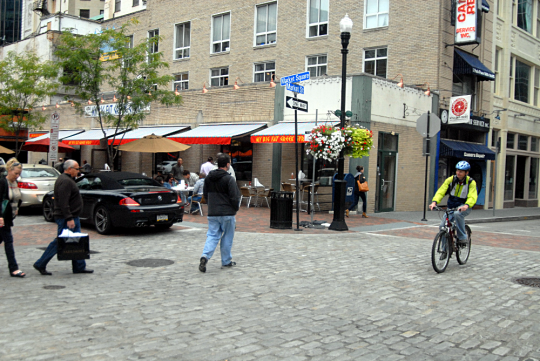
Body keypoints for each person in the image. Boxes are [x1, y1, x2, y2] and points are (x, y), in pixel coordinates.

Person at [34, 160, 93, 275]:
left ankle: (79, 266)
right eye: (76, 169)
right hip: (66, 217)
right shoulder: (65, 181)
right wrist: (69, 218)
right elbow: (63, 202)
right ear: (69, 169)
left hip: (71, 216)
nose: (78, 171)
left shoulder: (67, 180)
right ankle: (41, 263)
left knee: (76, 241)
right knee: (60, 241)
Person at [199, 154, 241, 273]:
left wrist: (211, 205)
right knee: (227, 236)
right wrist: (234, 209)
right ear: (227, 164)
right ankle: (226, 261)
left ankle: (205, 256)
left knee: (212, 235)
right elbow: (234, 197)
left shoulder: (208, 178)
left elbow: (205, 195)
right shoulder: (229, 179)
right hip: (227, 213)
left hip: (213, 213)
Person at [429, 161, 478, 245]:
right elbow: (441, 191)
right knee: (442, 227)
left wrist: (466, 205)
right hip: (452, 206)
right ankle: (445, 250)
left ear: (466, 173)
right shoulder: (451, 180)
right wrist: (434, 202)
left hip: (464, 206)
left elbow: (472, 196)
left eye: (461, 171)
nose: (458, 173)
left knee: (457, 214)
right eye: (457, 170)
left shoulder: (471, 182)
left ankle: (462, 237)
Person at [0, 158, 25, 278]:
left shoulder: (15, 183)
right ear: (9, 171)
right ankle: (13, 268)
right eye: (15, 173)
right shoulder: (2, 182)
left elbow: (17, 198)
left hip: (9, 217)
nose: (17, 176)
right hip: (2, 217)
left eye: (19, 174)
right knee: (8, 241)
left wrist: (17, 208)